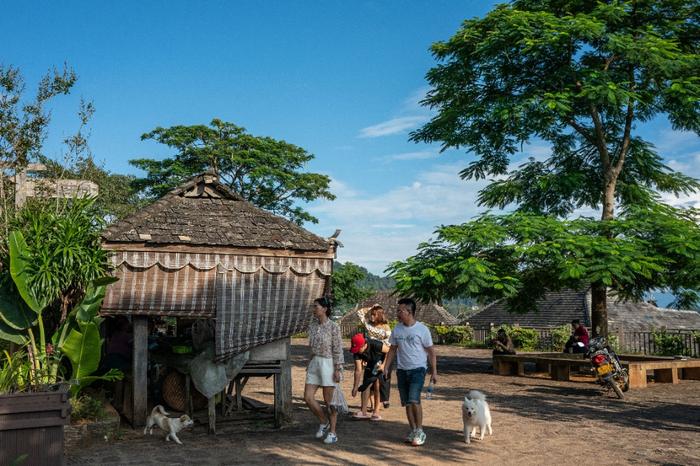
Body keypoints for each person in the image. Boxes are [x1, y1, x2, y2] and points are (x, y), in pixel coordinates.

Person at [383, 298, 437, 447]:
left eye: (400, 311)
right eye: (397, 310)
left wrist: (434, 371)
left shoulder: (422, 329)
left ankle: (420, 431)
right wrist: (386, 367)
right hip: (402, 370)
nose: (397, 313)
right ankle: (413, 430)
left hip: (418, 369)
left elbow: (431, 351)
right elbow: (392, 349)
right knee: (407, 403)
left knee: (414, 400)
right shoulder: (397, 329)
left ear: (409, 312)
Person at [304, 297, 344, 444]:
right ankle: (323, 421)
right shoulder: (313, 326)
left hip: (328, 363)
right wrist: (309, 363)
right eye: (313, 306)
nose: (314, 309)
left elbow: (338, 348)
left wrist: (338, 368)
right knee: (308, 397)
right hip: (315, 362)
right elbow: (311, 347)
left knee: (329, 402)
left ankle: (333, 433)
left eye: (316, 306)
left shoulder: (333, 326)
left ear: (325, 309)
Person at [357, 304, 392, 408]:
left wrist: (385, 363)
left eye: (374, 314)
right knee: (370, 379)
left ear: (380, 315)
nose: (371, 316)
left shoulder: (386, 328)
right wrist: (371, 307)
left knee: (381, 379)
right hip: (370, 355)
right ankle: (373, 405)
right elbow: (359, 313)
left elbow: (389, 346)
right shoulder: (368, 325)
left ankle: (382, 400)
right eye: (371, 314)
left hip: (382, 354)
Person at [350, 333, 389, 421]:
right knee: (365, 385)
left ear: (364, 345)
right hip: (371, 365)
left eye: (358, 348)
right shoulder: (356, 352)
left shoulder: (376, 344)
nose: (356, 351)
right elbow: (358, 370)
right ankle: (363, 412)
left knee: (377, 385)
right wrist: (355, 387)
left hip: (382, 364)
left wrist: (383, 365)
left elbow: (389, 351)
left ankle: (376, 412)